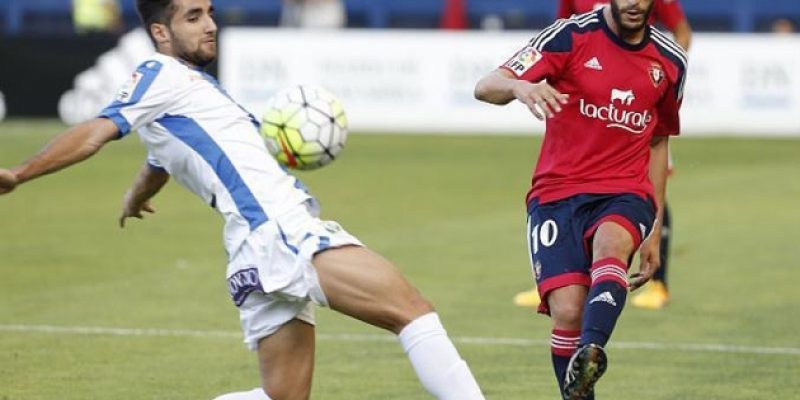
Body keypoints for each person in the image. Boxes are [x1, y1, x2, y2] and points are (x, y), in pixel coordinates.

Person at [0, 1, 485, 400]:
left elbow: (161, 158)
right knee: (412, 311)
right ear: (160, 33)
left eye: (209, 12)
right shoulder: (158, 73)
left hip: (253, 249)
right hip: (280, 233)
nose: (210, 24)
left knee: (284, 398)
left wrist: (135, 194)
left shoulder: (189, 90)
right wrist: (20, 174)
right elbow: (94, 133)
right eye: (193, 17)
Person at [475, 0, 686, 398]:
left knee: (611, 243)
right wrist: (520, 86)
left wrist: (654, 232)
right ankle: (580, 377)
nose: (635, 3)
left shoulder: (670, 61)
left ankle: (593, 349)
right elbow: (485, 86)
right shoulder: (570, 35)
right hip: (556, 194)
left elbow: (658, 142)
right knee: (568, 311)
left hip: (625, 191)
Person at [513, 0, 692, 310]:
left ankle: (658, 281)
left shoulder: (664, 54)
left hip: (636, 108)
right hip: (590, 110)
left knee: (644, 188)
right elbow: (562, 29)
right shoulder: (577, 20)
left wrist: (656, 73)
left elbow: (681, 32)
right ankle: (555, 280)